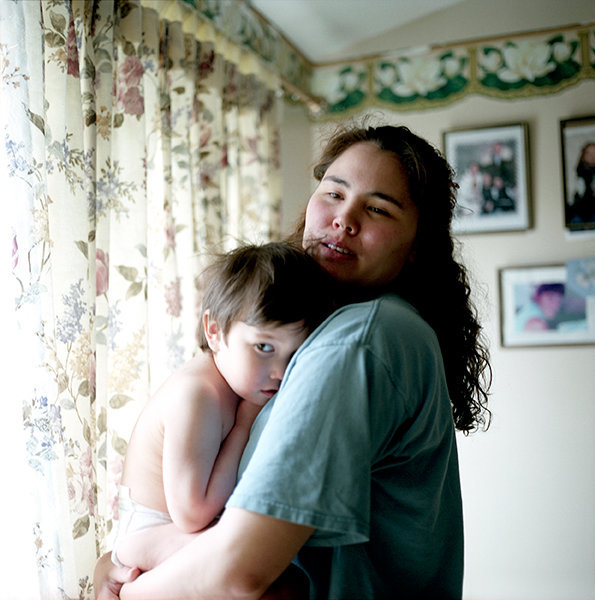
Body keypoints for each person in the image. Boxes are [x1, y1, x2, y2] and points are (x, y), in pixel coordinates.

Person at [94, 123, 492, 600]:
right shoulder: (325, 331)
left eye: (378, 208)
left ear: (415, 249)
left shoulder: (359, 342)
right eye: (333, 193)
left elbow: (236, 572)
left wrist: (127, 590)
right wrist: (119, 557)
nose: (344, 219)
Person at [110, 242, 335, 574]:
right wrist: (244, 426)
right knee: (275, 571)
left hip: (176, 529)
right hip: (150, 534)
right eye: (264, 347)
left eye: (295, 355)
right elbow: (192, 513)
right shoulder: (198, 395)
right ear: (214, 331)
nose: (281, 371)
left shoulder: (235, 382)